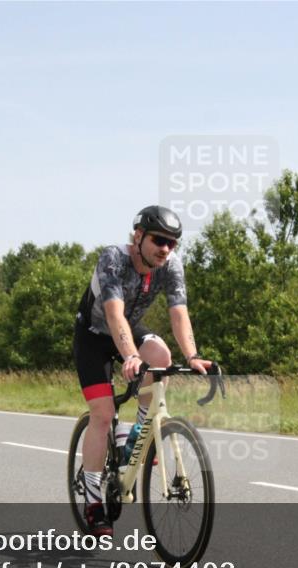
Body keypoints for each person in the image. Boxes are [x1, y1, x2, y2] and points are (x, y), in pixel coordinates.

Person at [73, 206, 211, 536]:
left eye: (172, 243)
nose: (165, 249)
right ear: (138, 236)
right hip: (94, 335)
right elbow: (114, 314)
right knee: (103, 415)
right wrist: (131, 356)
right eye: (159, 240)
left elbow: (179, 313)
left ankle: (137, 434)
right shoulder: (113, 259)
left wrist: (192, 355)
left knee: (162, 355)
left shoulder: (171, 265)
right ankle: (93, 502)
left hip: (130, 329)